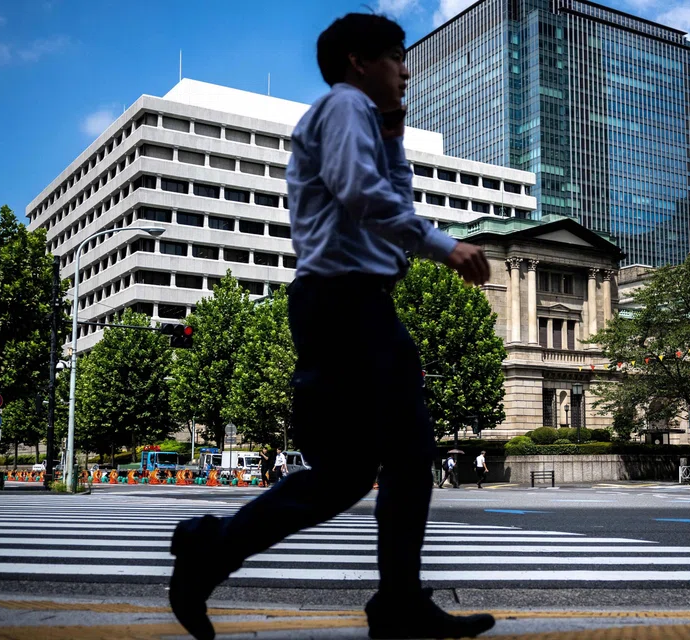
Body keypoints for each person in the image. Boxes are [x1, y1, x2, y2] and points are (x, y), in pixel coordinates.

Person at [167, 12, 495, 640]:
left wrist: (396, 138)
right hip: (346, 305)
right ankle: (389, 601)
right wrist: (442, 245)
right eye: (397, 56)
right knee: (393, 457)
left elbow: (387, 191)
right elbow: (361, 194)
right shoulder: (343, 105)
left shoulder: (362, 119)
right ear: (357, 61)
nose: (407, 69)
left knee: (351, 473)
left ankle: (216, 553)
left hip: (350, 305)